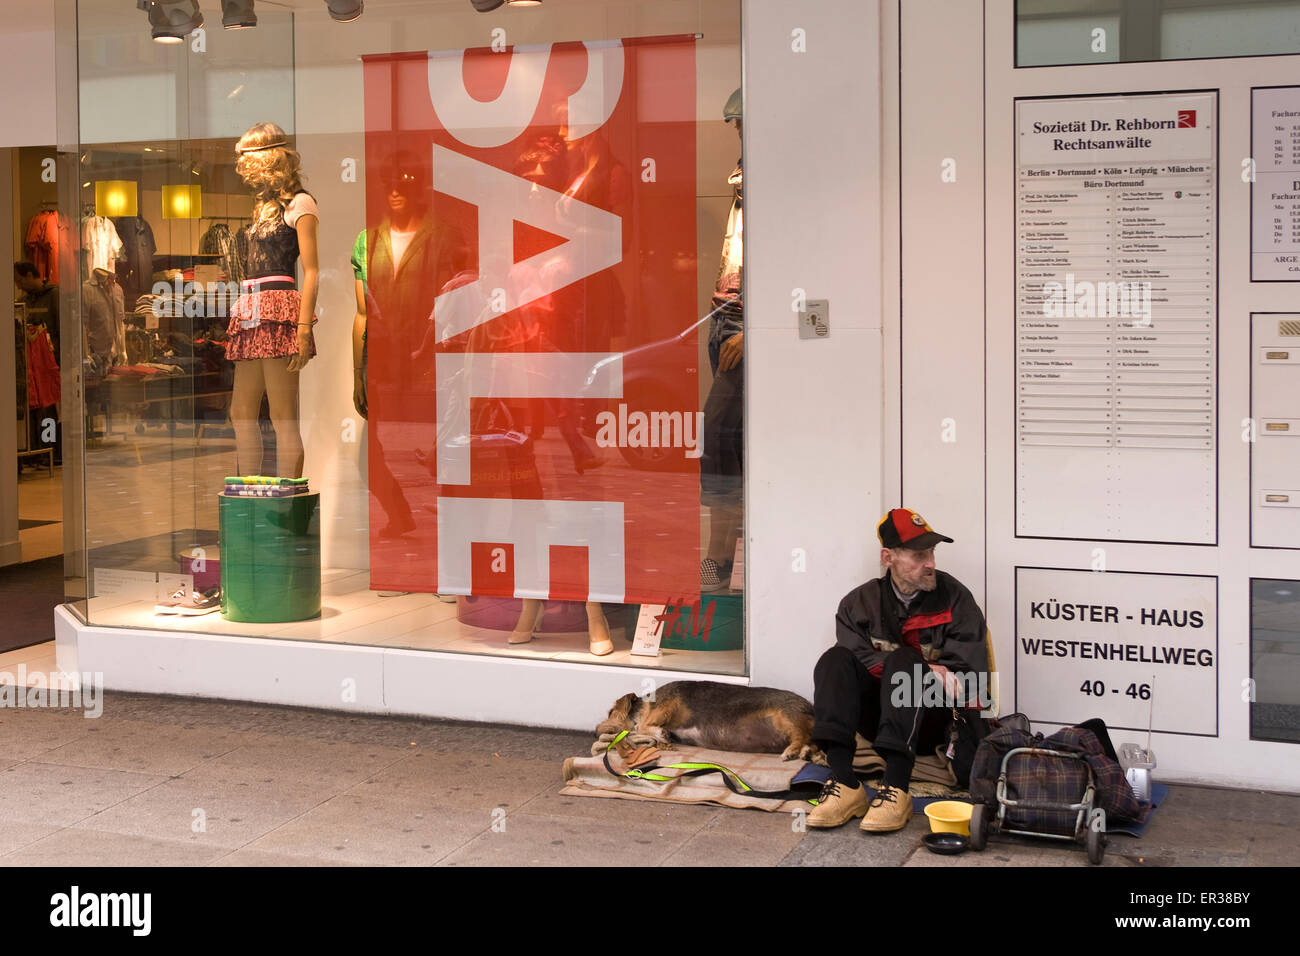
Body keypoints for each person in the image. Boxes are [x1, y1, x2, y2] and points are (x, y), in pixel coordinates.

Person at [807, 508, 989, 832]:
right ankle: (843, 782)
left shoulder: (957, 599)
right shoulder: (857, 604)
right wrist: (921, 669)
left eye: (932, 552)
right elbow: (853, 663)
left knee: (904, 661)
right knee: (833, 661)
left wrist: (914, 670)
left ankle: (896, 788)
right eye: (919, 555)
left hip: (934, 719)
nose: (930, 563)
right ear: (888, 557)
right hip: (878, 720)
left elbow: (973, 682)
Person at [226, 121, 319, 478]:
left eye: (251, 160)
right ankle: (248, 490)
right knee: (241, 412)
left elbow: (311, 270)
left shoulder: (300, 203)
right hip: (250, 307)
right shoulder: (260, 206)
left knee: (283, 415)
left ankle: (288, 498)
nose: (245, 169)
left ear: (270, 159)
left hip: (280, 309)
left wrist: (303, 327)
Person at [700, 88, 744, 591]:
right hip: (724, 319)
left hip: (742, 325)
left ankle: (717, 563)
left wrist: (755, 331)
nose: (739, 133)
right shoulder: (743, 175)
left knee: (718, 437)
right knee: (731, 443)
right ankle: (725, 563)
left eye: (741, 122)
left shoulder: (777, 176)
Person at [14, 261, 60, 356]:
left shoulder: (54, 295)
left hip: (52, 359)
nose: (18, 287)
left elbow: (64, 329)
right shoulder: (23, 301)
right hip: (31, 360)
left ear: (29, 275)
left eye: (20, 281)